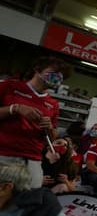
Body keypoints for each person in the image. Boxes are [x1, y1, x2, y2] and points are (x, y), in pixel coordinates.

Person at [0, 56, 71, 188]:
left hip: (33, 159)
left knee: (29, 201)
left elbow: (52, 137)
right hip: (3, 154)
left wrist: (49, 128)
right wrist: (14, 108)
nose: (58, 77)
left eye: (61, 76)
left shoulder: (53, 104)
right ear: (37, 69)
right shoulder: (8, 86)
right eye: (54, 72)